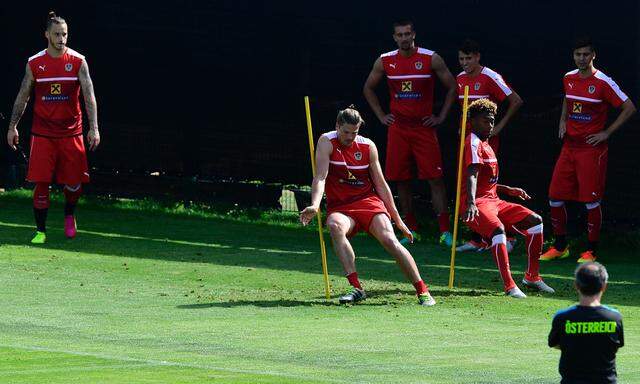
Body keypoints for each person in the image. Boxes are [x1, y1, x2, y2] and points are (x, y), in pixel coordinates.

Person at [300, 106, 436, 306]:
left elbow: (381, 185)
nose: (350, 137)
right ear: (337, 126)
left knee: (390, 240)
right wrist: (315, 205)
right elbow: (321, 176)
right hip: (341, 207)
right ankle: (356, 288)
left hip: (368, 202)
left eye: (354, 133)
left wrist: (398, 220)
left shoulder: (368, 146)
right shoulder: (326, 141)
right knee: (335, 226)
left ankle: (422, 291)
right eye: (346, 132)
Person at [7, 11, 100, 244]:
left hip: (72, 133)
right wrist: (12, 127)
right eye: (57, 34)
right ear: (47, 35)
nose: (62, 39)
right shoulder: (34, 63)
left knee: (74, 183)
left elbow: (89, 97)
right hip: (42, 134)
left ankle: (69, 215)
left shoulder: (79, 61)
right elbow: (22, 97)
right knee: (41, 182)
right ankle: (41, 231)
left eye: (65, 34)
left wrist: (94, 128)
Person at [363, 20, 457, 246]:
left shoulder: (430, 57)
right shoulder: (385, 60)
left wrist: (440, 117)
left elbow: (453, 87)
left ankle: (445, 231)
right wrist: (381, 116)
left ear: (414, 34)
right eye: (399, 35)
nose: (404, 38)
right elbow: (368, 88)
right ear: (394, 37)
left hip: (424, 128)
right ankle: (409, 228)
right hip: (398, 129)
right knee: (400, 179)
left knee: (435, 178)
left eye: (407, 34)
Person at [541, 37, 635, 263]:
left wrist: (606, 133)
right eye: (577, 54)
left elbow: (629, 107)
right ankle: (561, 246)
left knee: (591, 201)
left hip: (591, 150)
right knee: (555, 196)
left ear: (594, 55)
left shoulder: (603, 82)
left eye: (585, 54)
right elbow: (568, 99)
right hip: (569, 147)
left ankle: (592, 250)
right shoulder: (568, 78)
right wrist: (563, 120)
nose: (581, 58)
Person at [461, 98, 554, 298]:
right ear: (473, 121)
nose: (490, 125)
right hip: (477, 203)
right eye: (485, 121)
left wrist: (507, 189)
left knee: (535, 222)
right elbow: (472, 174)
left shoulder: (487, 143)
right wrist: (469, 203)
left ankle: (532, 276)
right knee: (498, 230)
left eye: (492, 121)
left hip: (494, 200)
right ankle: (510, 286)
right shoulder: (472, 142)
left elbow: (487, 181)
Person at [455, 39, 523, 252]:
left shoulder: (490, 76)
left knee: (488, 188)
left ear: (477, 57)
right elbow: (466, 110)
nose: (465, 62)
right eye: (461, 59)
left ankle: (508, 236)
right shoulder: (460, 79)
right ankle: (479, 238)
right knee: (469, 184)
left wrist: (498, 127)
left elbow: (516, 100)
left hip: (486, 142)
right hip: (469, 141)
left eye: (469, 58)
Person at [549, 262, 623, 383]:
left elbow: (556, 343)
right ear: (604, 286)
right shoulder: (614, 317)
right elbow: (615, 346)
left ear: (576, 285)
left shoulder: (562, 318)